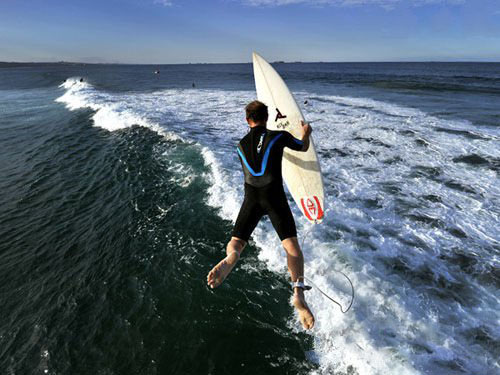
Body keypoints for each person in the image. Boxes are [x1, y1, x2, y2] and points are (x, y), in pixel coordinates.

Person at [207, 100, 315, 330]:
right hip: (273, 196)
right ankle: (298, 293)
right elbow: (302, 147)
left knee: (236, 241)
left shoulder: (239, 145)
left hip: (251, 198)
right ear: (267, 117)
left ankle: (231, 258)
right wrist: (305, 133)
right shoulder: (279, 136)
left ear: (248, 120)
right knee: (292, 248)